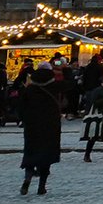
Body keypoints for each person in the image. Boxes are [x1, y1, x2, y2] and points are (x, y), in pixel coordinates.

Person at [18, 64, 61, 195]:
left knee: (31, 154)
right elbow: (72, 85)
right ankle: (41, 186)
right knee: (46, 156)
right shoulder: (55, 86)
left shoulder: (30, 89)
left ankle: (27, 180)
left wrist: (25, 119)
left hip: (33, 126)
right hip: (50, 126)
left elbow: (21, 106)